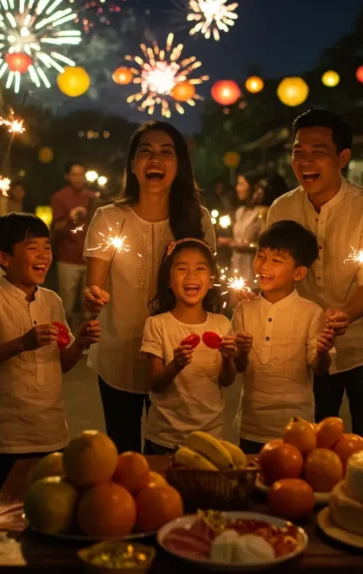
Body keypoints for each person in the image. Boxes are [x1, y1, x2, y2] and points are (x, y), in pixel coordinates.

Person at [82, 120, 217, 454]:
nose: (155, 160)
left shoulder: (198, 219)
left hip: (177, 358)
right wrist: (93, 296)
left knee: (175, 454)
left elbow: (207, 283)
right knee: (124, 455)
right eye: (146, 152)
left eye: (166, 152)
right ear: (132, 164)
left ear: (179, 164)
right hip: (119, 357)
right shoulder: (109, 219)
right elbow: (93, 285)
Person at [266, 109, 363, 448]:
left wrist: (343, 317)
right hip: (310, 348)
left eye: (317, 151)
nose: (305, 160)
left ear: (343, 157)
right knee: (312, 450)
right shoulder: (281, 209)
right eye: (298, 151)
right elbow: (274, 272)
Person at [0, 212, 100, 521]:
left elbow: (59, 364)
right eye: (32, 247)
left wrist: (80, 342)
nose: (44, 256)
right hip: (2, 437)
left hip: (49, 433)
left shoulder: (52, 301)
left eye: (47, 247)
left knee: (49, 515)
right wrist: (21, 343)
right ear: (4, 257)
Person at [232, 221, 336, 454]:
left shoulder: (311, 313)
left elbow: (319, 368)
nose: (263, 266)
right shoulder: (243, 310)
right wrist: (241, 351)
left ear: (299, 273)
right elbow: (238, 367)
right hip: (252, 427)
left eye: (276, 261)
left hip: (297, 429)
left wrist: (322, 350)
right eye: (260, 256)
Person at [140, 239, 236, 454]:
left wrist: (228, 358)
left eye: (200, 269)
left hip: (210, 435)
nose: (191, 275)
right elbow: (155, 384)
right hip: (165, 437)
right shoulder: (157, 324)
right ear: (168, 280)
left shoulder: (221, 323)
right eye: (182, 268)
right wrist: (176, 364)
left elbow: (227, 381)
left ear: (211, 281)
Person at [51, 161, 96, 326]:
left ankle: (88, 344)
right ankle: (65, 341)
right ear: (67, 176)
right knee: (66, 306)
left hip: (91, 258)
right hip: (67, 257)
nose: (78, 178)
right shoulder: (59, 197)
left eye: (81, 174)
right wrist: (71, 217)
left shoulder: (93, 197)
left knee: (90, 306)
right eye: (74, 174)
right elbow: (55, 227)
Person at [219, 172, 264, 283]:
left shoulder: (262, 212)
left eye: (241, 184)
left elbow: (266, 246)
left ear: (253, 188)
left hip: (253, 275)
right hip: (236, 274)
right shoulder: (239, 212)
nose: (237, 188)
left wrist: (235, 244)